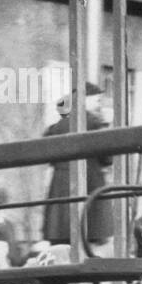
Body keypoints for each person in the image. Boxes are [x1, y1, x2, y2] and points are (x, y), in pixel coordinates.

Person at [42, 85, 113, 248]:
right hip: (90, 185)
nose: (98, 104)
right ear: (84, 100)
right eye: (96, 100)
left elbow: (48, 156)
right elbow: (107, 158)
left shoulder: (56, 127)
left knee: (63, 246)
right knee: (91, 243)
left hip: (60, 192)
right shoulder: (95, 123)